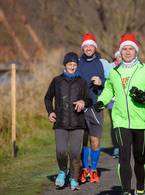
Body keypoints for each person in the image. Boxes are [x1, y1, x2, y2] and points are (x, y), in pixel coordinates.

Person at [95, 34, 145, 195]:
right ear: (120, 51)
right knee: (123, 158)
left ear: (135, 51)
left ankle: (140, 190)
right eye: (124, 49)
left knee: (139, 158)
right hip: (120, 120)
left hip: (141, 121)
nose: (127, 52)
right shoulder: (114, 72)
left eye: (130, 49)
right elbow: (108, 90)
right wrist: (101, 101)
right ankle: (126, 191)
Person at [44, 52, 92, 190]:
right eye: (69, 64)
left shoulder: (82, 82)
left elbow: (89, 100)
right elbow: (48, 97)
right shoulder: (57, 81)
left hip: (78, 123)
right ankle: (62, 171)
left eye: (74, 64)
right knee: (61, 150)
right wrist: (50, 111)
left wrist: (83, 101)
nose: (72, 67)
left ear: (77, 65)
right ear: (65, 65)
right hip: (61, 123)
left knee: (75, 153)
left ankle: (73, 178)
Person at [77, 33, 110, 183]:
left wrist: (101, 81)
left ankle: (94, 169)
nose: (88, 48)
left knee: (94, 141)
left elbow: (112, 82)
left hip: (97, 107)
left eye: (91, 46)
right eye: (86, 46)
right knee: (83, 141)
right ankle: (84, 169)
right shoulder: (77, 63)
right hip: (81, 107)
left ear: (95, 47)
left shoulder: (103, 63)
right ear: (82, 47)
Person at [105, 49, 122, 158]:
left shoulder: (128, 66)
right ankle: (116, 148)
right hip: (112, 101)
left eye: (122, 56)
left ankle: (124, 147)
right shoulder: (110, 66)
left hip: (123, 101)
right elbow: (106, 80)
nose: (120, 58)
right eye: (119, 56)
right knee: (114, 125)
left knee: (123, 125)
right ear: (115, 57)